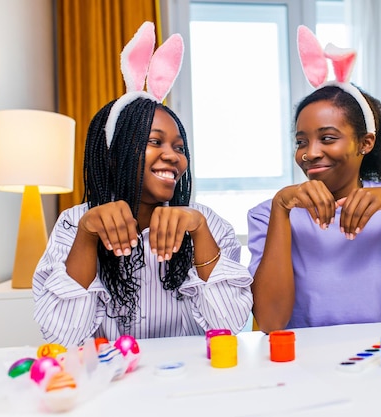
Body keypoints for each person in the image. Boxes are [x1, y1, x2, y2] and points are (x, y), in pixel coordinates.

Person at [33, 22, 252, 346]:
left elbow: (230, 324)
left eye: (179, 148)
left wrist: (200, 232)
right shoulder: (72, 225)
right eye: (154, 142)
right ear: (113, 155)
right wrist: (86, 236)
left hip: (189, 383)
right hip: (111, 384)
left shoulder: (208, 224)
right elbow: (62, 337)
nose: (173, 157)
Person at [247, 26, 381, 333]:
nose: (310, 153)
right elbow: (271, 322)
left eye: (327, 138)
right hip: (299, 363)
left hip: (376, 359)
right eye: (301, 142)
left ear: (365, 143)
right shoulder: (269, 213)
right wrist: (280, 210)